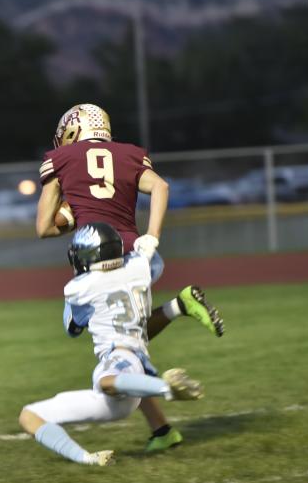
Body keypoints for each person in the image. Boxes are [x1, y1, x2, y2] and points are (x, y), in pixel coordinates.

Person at [34, 103, 224, 453]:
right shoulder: (130, 154)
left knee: (110, 341)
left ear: (73, 130)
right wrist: (151, 236)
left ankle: (177, 310)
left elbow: (44, 227)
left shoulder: (61, 159)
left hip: (98, 262)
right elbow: (162, 187)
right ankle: (162, 429)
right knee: (126, 345)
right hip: (139, 257)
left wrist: (70, 210)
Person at [19, 222, 204, 466]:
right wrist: (144, 249)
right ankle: (88, 459)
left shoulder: (79, 288)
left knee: (104, 380)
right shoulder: (139, 266)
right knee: (30, 415)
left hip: (122, 358)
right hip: (131, 370)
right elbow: (154, 264)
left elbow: (73, 328)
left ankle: (166, 388)